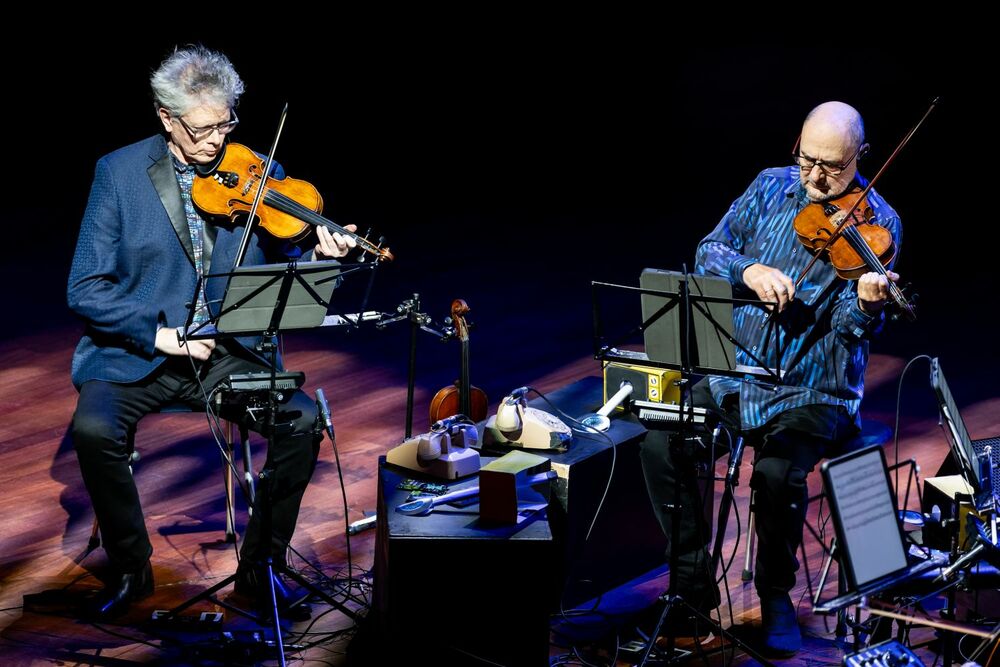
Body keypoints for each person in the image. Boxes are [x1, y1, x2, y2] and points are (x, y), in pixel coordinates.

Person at [68, 45, 357, 619]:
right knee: (95, 429)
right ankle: (131, 567)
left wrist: (323, 247)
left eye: (225, 123)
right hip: (142, 353)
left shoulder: (255, 168)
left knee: (301, 421)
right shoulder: (118, 173)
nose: (215, 141)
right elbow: (85, 287)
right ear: (165, 117)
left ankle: (261, 569)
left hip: (227, 353)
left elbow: (287, 245)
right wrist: (159, 335)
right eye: (201, 129)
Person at [639, 101, 901, 657]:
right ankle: (691, 587)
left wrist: (865, 305)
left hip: (813, 385)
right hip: (738, 370)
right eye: (807, 160)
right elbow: (710, 250)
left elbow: (850, 334)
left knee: (778, 477)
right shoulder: (769, 186)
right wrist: (749, 270)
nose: (815, 178)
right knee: (663, 440)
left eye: (831, 166)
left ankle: (776, 595)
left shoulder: (881, 224)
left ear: (861, 157)